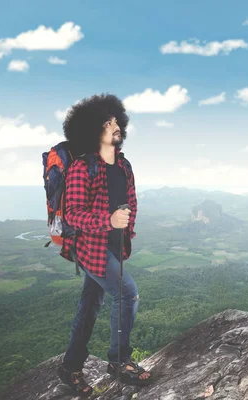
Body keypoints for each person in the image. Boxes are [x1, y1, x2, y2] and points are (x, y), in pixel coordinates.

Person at [56, 94, 152, 395]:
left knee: (90, 304)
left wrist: (126, 227)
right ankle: (119, 360)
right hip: (90, 248)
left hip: (115, 246)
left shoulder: (124, 165)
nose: (115, 127)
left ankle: (69, 367)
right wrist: (108, 221)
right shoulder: (83, 168)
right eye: (107, 123)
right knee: (127, 293)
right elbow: (72, 214)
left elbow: (132, 202)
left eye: (116, 121)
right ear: (91, 130)